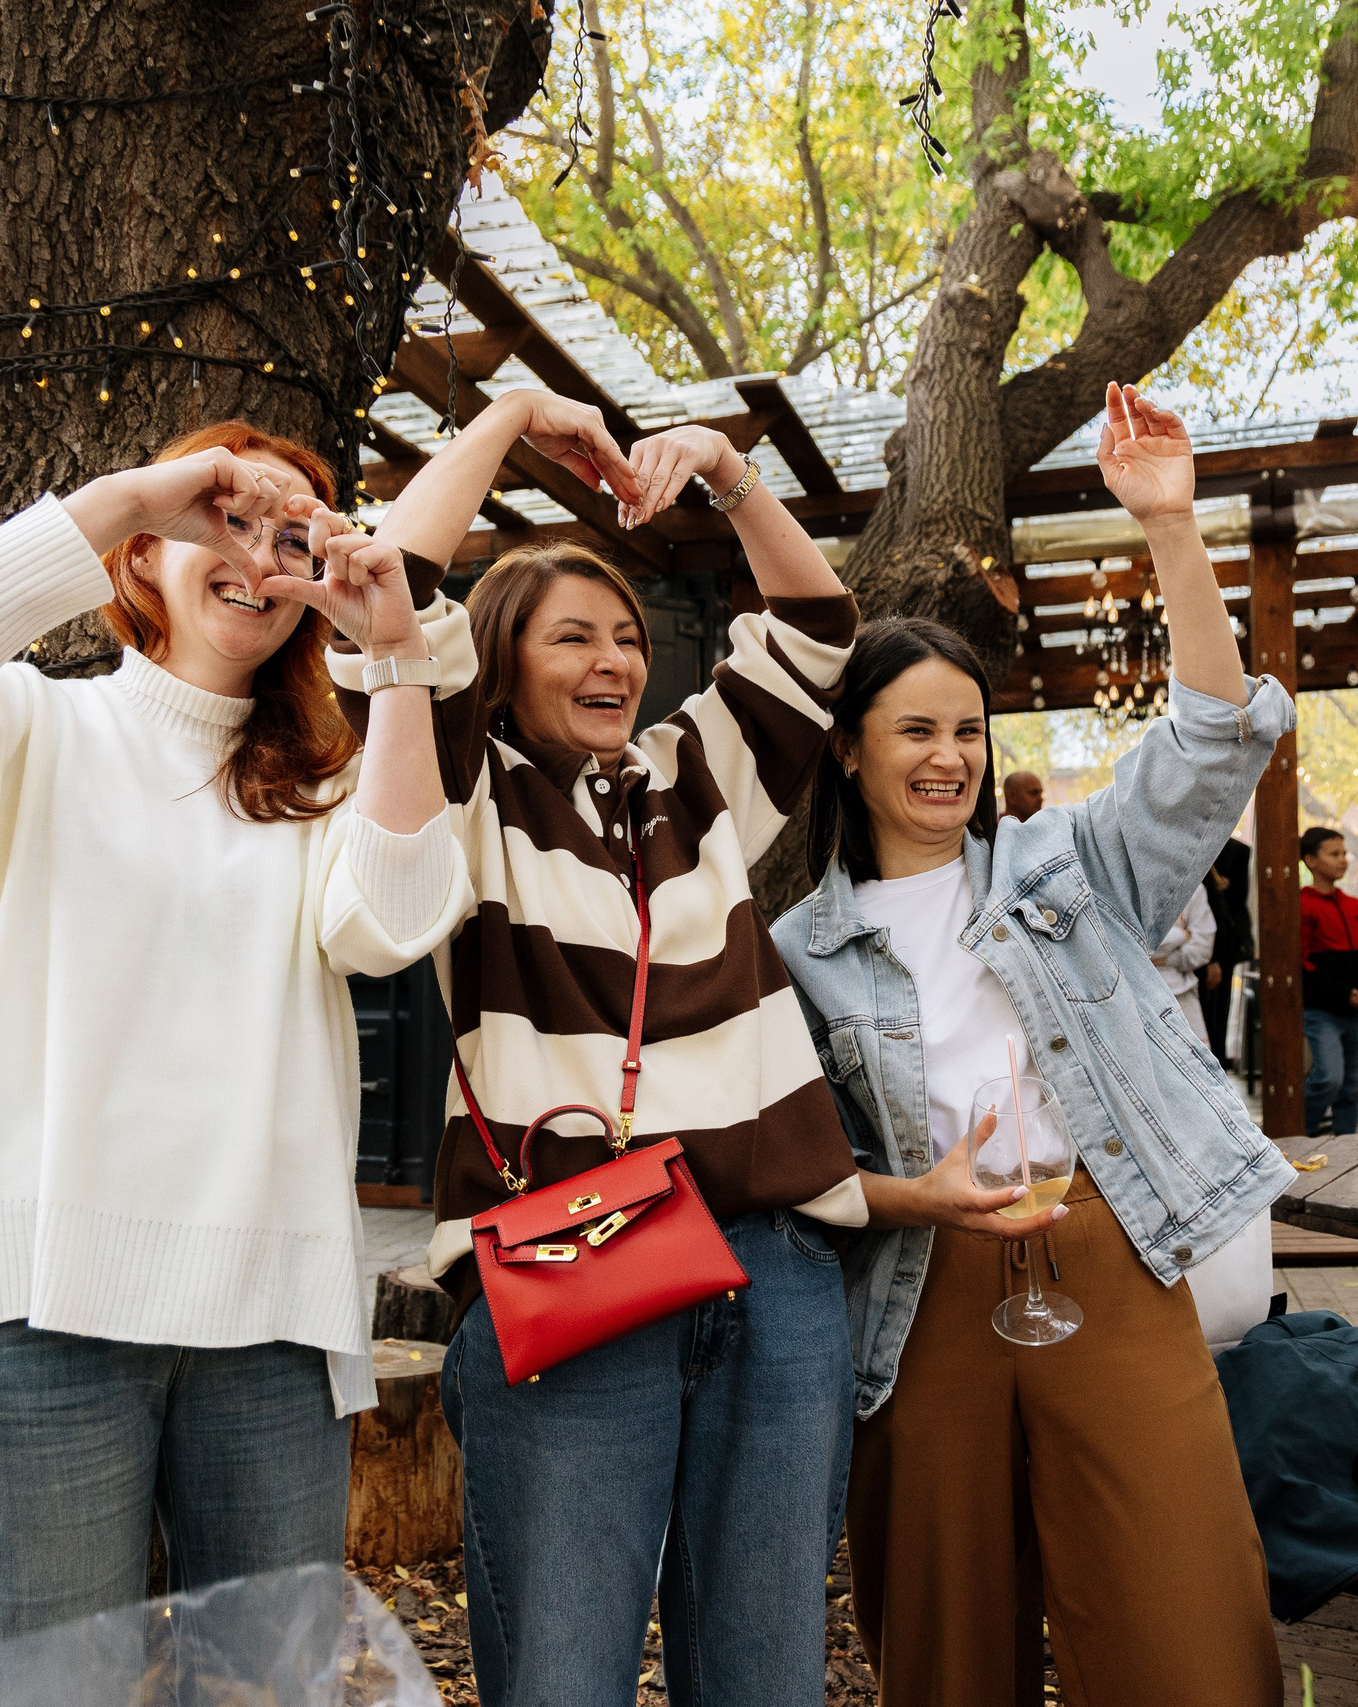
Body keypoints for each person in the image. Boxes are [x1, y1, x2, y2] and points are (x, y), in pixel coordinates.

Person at [0, 423, 464, 1668]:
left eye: (294, 531)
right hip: (29, 1300)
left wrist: (400, 657)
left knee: (271, 1692)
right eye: (227, 518)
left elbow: (400, 924)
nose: (260, 553)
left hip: (269, 1315)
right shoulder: (33, 731)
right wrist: (131, 495)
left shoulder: (321, 785)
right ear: (143, 557)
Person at [328, 389, 867, 1707]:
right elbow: (385, 584)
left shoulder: (693, 777)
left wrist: (733, 475)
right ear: (499, 660)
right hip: (576, 1260)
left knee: (766, 1671)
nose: (614, 657)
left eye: (627, 635)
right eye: (573, 636)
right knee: (563, 1672)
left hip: (773, 1260)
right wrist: (508, 417)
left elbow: (815, 628)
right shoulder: (461, 798)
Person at [771, 385, 1293, 1707]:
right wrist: (914, 1197)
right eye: (915, 730)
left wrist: (1171, 527)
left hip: (1109, 1250)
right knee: (945, 1634)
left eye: (967, 730)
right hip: (919, 1285)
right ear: (848, 750)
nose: (949, 757)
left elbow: (1215, 744)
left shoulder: (1072, 860)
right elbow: (793, 1165)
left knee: (1186, 1621)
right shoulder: (798, 948)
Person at [1300, 826, 1358, 1135]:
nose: (1343, 860)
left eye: (1344, 853)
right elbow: (1303, 962)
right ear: (1310, 860)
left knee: (1351, 1084)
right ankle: (1300, 1131)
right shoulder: (1303, 905)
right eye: (1334, 854)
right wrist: (1347, 993)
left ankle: (1347, 1144)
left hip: (1353, 1010)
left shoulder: (1355, 906)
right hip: (1323, 1009)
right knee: (1328, 1077)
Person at [1201, 836, 1252, 1065]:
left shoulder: (1237, 850)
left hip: (1223, 940)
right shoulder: (1188, 840)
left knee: (1220, 1010)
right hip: (1192, 941)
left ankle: (1218, 1064)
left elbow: (1239, 898)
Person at [1156, 882, 1219, 1049]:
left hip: (1183, 994)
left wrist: (1166, 960)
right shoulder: (1123, 884)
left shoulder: (1192, 887)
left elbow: (1203, 947)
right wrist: (1181, 935)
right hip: (1134, 992)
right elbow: (1136, 942)